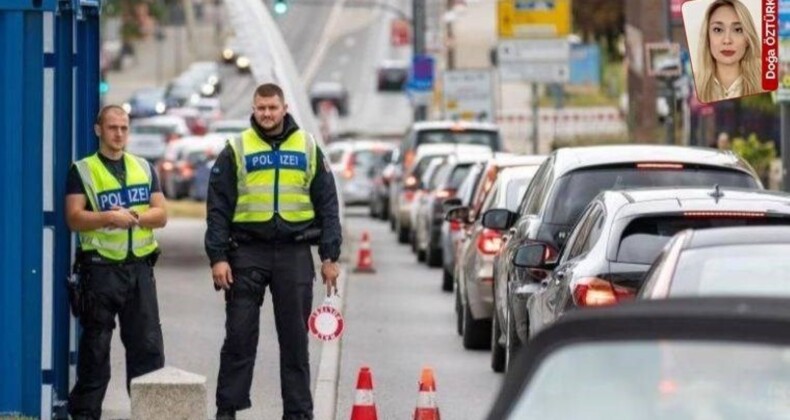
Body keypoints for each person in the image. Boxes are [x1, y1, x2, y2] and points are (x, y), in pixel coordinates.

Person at [205, 83, 342, 420]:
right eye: (261, 108)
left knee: (295, 341)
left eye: (272, 108)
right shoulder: (236, 148)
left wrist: (329, 256)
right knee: (239, 336)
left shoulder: (308, 146)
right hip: (247, 253)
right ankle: (228, 409)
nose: (266, 114)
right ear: (253, 109)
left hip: (294, 254)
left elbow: (327, 204)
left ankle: (297, 413)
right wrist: (218, 256)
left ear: (284, 108)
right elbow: (218, 208)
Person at [65, 105, 168, 420]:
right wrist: (108, 217)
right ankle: (85, 415)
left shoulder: (144, 168)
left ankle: (149, 414)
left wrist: (134, 216)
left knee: (147, 349)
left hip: (139, 271)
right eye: (112, 128)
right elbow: (74, 218)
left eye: (123, 128)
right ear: (99, 130)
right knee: (95, 352)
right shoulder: (82, 170)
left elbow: (161, 214)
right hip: (99, 271)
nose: (119, 133)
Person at [694, 0, 762, 103]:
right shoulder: (694, 87)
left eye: (738, 30)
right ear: (707, 38)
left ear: (747, 39)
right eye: (718, 30)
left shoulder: (765, 83)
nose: (727, 40)